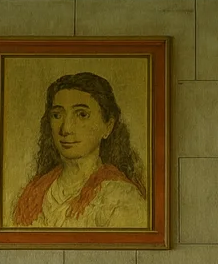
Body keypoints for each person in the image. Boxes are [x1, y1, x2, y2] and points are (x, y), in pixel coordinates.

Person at [9, 72, 149, 229]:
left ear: (108, 126)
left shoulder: (120, 197)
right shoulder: (34, 194)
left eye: (82, 114)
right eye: (57, 115)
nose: (66, 128)